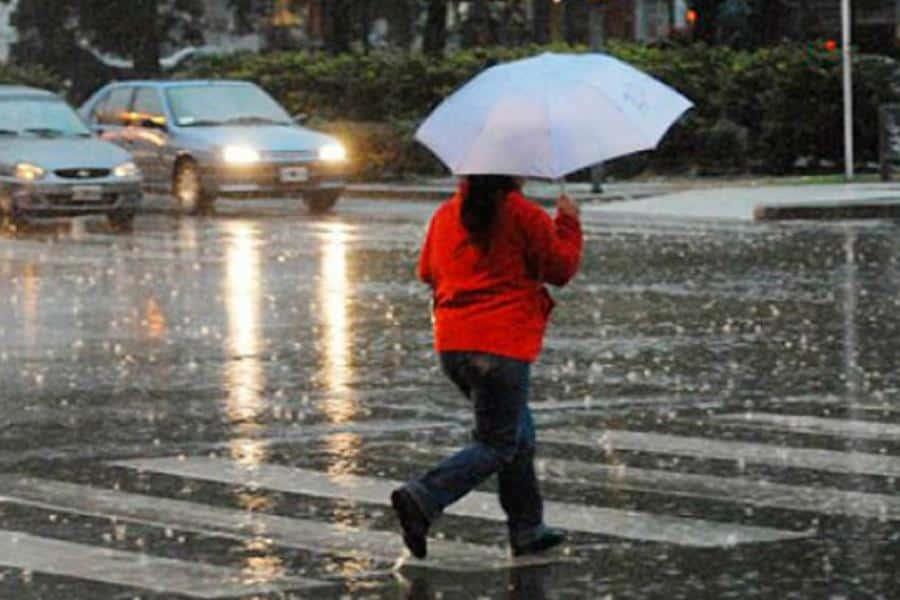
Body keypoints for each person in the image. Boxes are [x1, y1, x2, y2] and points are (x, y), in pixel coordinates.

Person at [390, 174, 583, 559]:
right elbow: (560, 270)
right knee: (497, 442)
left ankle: (527, 528)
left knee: (517, 434)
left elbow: (427, 271)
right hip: (501, 344)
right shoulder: (523, 214)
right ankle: (426, 496)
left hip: (454, 344)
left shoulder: (447, 214)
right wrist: (568, 222)